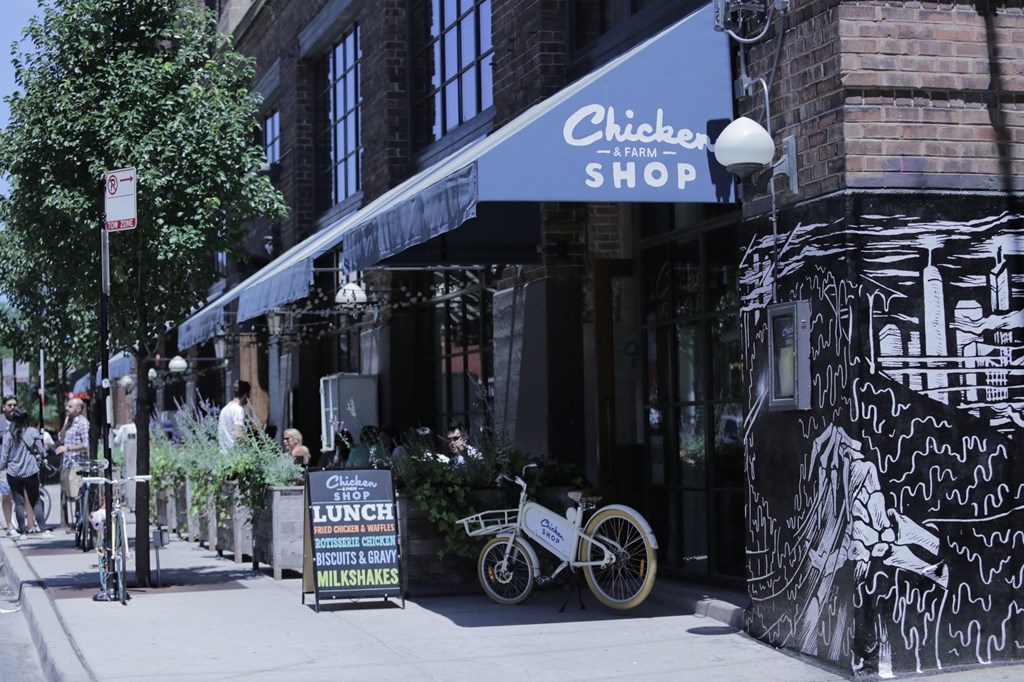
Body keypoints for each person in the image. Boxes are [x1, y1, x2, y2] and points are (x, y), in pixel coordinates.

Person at [0, 408, 50, 537]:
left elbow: (4, 457)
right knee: (35, 500)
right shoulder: (32, 432)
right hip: (30, 471)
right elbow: (41, 450)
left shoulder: (8, 435)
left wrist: (2, 467)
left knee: (19, 502)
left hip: (13, 473)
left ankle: (22, 531)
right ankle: (43, 529)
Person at [56, 397, 90, 526]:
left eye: (70, 406)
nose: (66, 408)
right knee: (72, 494)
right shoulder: (70, 422)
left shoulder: (82, 423)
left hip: (78, 464)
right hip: (68, 464)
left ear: (78, 409)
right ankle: (78, 521)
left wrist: (68, 448)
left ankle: (81, 520)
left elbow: (86, 444)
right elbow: (60, 438)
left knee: (77, 495)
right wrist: (65, 424)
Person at [218, 380, 251, 453]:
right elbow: (238, 435)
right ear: (245, 395)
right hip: (234, 456)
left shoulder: (224, 409)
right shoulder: (238, 409)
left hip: (223, 454)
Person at [1, 396, 18, 536]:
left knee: (19, 495)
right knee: (7, 495)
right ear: (3, 407)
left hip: (20, 464)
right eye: (9, 405)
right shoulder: (0, 422)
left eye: (14, 405)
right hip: (4, 465)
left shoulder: (20, 420)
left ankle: (22, 523)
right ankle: (9, 525)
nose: (12, 407)